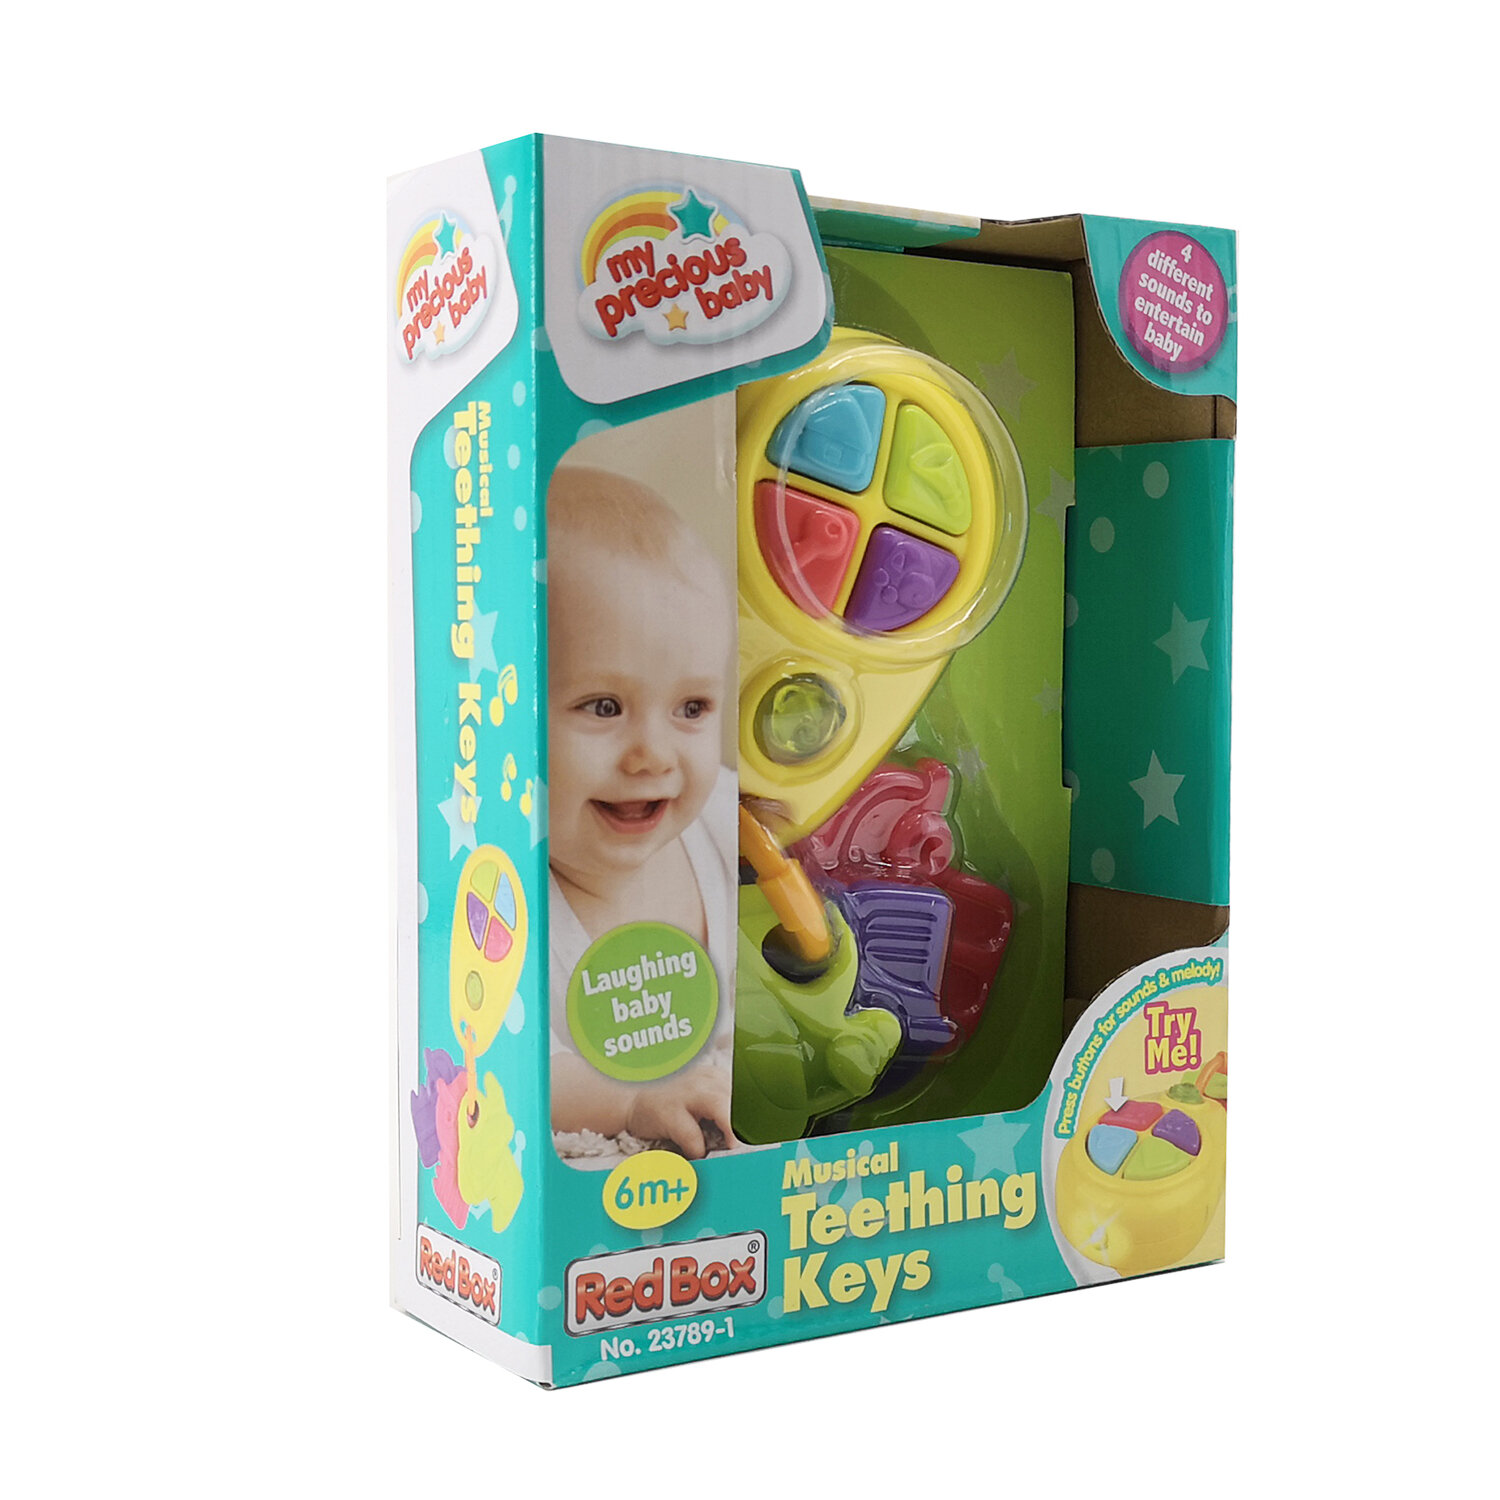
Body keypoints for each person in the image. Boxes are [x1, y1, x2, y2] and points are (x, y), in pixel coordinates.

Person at [546, 465, 740, 1159]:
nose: (653, 755)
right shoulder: (502, 905)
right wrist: (631, 1101)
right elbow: (514, 1068)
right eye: (604, 706)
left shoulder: (726, 822)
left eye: (692, 707)